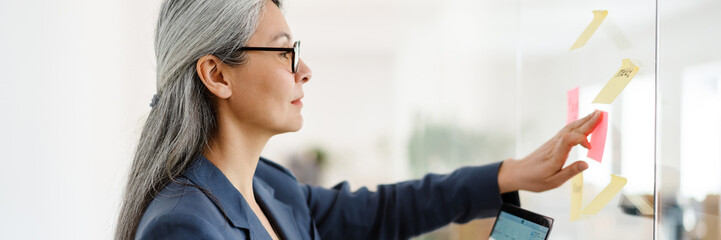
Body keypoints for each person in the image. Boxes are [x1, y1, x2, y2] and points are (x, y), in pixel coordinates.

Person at [115, 0, 602, 239]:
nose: (304, 72)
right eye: (286, 52)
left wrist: (510, 175)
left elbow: (383, 211)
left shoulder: (267, 184)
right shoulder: (183, 226)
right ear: (216, 75)